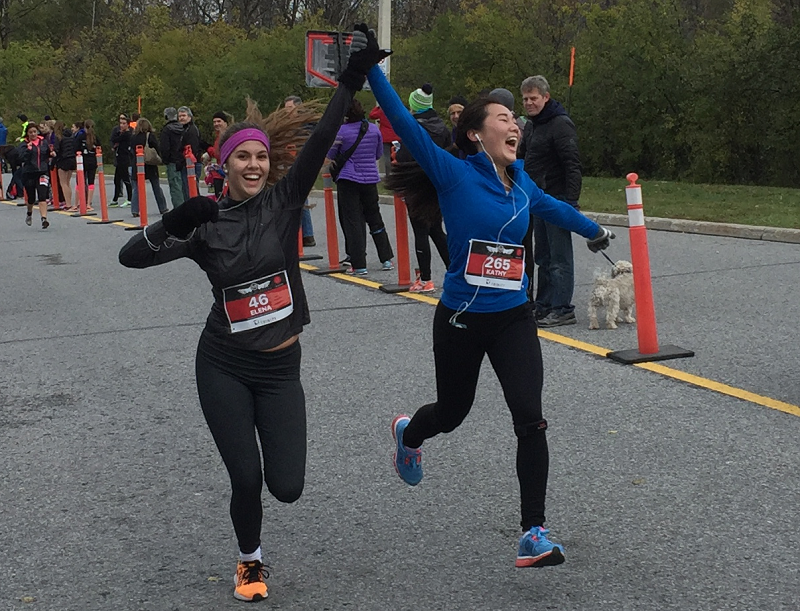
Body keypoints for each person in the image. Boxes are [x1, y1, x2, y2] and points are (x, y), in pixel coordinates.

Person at [118, 25, 381, 603]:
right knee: (246, 477)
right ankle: (250, 562)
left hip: (281, 368)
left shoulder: (285, 202)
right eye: (244, 157)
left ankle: (258, 538)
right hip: (224, 365)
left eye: (262, 156)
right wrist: (176, 220)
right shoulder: (206, 221)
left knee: (286, 487)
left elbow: (324, 136)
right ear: (225, 163)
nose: (255, 165)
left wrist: (354, 77)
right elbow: (131, 257)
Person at [366, 60, 614, 568]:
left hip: (513, 317)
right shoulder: (454, 174)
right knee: (452, 414)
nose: (514, 125)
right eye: (503, 117)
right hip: (461, 318)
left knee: (531, 418)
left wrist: (594, 232)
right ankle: (409, 435)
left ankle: (533, 532)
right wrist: (372, 70)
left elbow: (555, 210)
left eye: (516, 119)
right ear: (477, 135)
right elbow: (407, 126)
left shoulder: (523, 185)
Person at [518, 75, 583, 327]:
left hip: (557, 197)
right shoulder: (531, 125)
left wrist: (572, 201)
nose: (529, 103)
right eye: (525, 99)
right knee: (542, 255)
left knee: (560, 257)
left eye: (533, 98)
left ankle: (563, 307)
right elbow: (524, 158)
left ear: (546, 97)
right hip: (537, 197)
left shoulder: (560, 124)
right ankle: (543, 304)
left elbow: (572, 165)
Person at [394, 83, 451, 293]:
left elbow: (404, 157)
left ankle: (425, 278)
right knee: (436, 229)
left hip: (416, 184)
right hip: (436, 183)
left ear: (413, 105)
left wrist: (398, 151)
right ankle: (453, 270)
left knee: (420, 231)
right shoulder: (441, 127)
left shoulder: (413, 128)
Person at [327, 98, 394, 275]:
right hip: (370, 178)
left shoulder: (341, 132)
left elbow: (332, 154)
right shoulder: (373, 129)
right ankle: (386, 258)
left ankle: (359, 264)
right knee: (374, 217)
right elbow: (378, 153)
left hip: (348, 178)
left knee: (353, 221)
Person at [284, 96, 316, 247]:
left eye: (289, 108)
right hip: (292, 163)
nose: (287, 112)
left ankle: (307, 234)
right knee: (298, 197)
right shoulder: (292, 125)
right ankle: (305, 234)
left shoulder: (306, 126)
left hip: (303, 164)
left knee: (300, 198)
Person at [129, 118, 168, 216]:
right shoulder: (150, 136)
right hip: (150, 164)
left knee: (136, 188)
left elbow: (130, 151)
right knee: (156, 187)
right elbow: (157, 148)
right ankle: (162, 208)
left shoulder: (133, 137)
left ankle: (135, 210)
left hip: (137, 164)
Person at [17, 123, 51, 229]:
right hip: (29, 173)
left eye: (34, 132)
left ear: (37, 132)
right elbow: (21, 158)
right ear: (27, 133)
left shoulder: (43, 142)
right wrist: (28, 150)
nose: (33, 134)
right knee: (31, 197)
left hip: (42, 172)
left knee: (42, 195)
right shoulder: (24, 144)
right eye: (30, 132)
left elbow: (47, 153)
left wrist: (52, 154)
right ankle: (29, 213)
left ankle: (44, 218)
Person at [177, 106, 205, 201]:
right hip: (187, 164)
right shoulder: (185, 129)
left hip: (191, 164)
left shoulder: (191, 130)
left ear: (189, 117)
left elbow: (192, 149)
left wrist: (183, 161)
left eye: (184, 115)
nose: (181, 118)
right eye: (180, 116)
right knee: (188, 190)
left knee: (191, 191)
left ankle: (195, 212)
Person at [160, 107, 185, 208]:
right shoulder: (183, 128)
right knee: (184, 186)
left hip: (172, 161)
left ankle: (179, 208)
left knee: (175, 187)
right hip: (184, 160)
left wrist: (165, 159)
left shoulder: (167, 130)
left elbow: (165, 147)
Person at [368, 101, 400, 178]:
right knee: (397, 156)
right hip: (396, 137)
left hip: (385, 137)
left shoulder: (382, 111)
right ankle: (398, 174)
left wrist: (377, 107)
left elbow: (371, 115)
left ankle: (388, 175)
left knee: (387, 157)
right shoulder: (396, 111)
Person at [53, 120, 78, 212]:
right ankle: (70, 203)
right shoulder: (71, 137)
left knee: (63, 183)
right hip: (72, 159)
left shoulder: (58, 137)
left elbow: (57, 150)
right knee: (67, 182)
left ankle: (68, 204)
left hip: (63, 160)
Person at [75, 119, 99, 211]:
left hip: (82, 161)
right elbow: (99, 148)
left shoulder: (81, 136)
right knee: (91, 182)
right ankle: (89, 203)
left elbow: (75, 148)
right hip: (93, 161)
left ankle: (77, 203)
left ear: (84, 127)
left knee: (80, 181)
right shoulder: (95, 137)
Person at [110, 114, 133, 207]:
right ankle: (115, 199)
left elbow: (115, 139)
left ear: (128, 124)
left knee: (126, 179)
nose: (121, 125)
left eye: (124, 123)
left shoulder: (127, 134)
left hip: (124, 159)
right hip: (119, 158)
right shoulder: (122, 133)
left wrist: (119, 134)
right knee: (116, 179)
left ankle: (130, 199)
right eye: (120, 123)